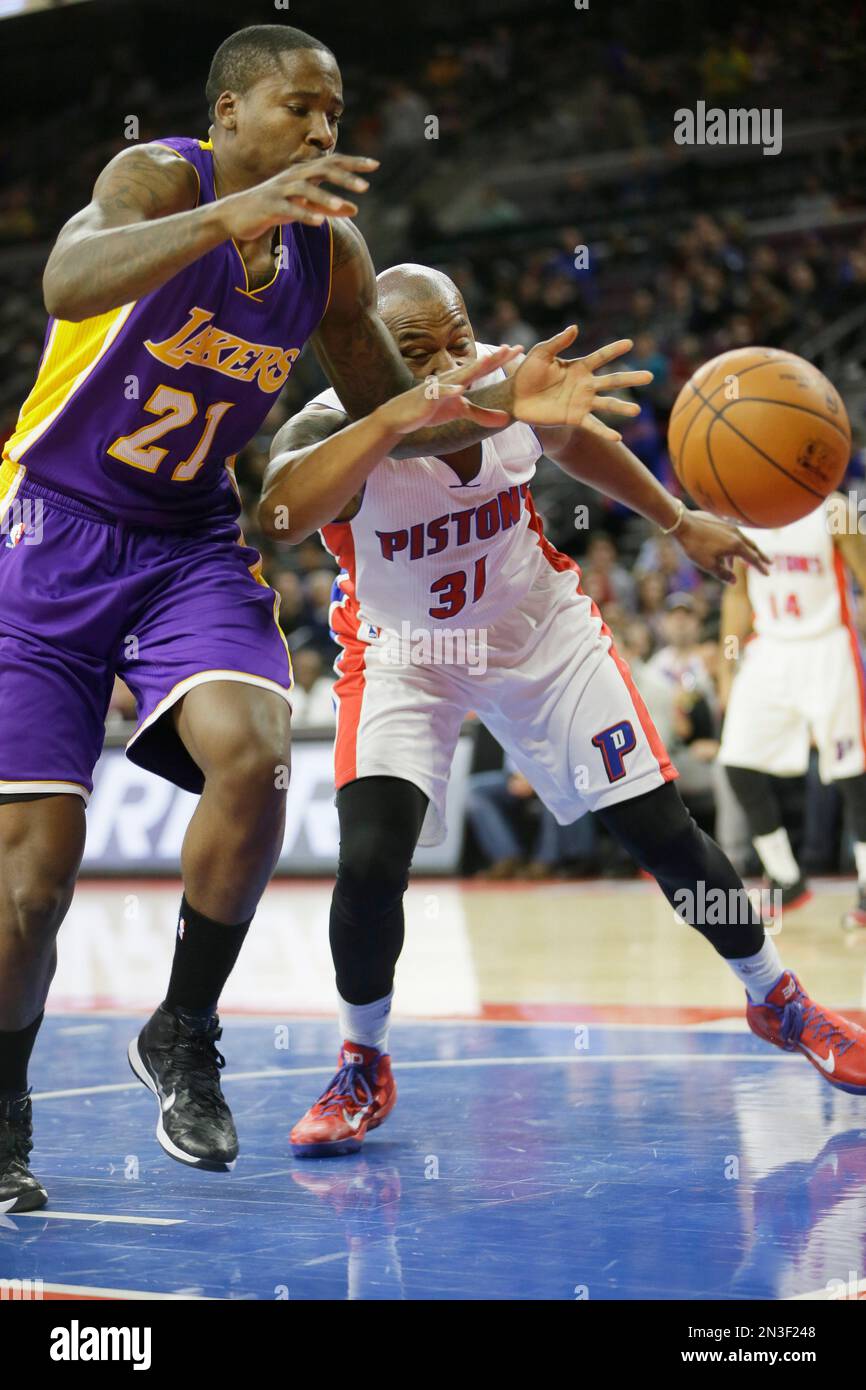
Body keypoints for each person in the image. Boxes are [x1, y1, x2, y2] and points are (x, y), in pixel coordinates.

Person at [0, 23, 591, 1211]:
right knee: (32, 888)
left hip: (184, 544)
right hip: (48, 535)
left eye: (335, 113)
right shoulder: (157, 180)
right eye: (299, 109)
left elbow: (389, 412)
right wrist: (227, 214)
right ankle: (5, 1112)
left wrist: (496, 404)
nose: (324, 131)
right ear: (227, 115)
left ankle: (183, 1029)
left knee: (258, 755)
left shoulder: (327, 253)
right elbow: (65, 282)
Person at [259, 264, 866, 1159]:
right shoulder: (330, 426)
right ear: (368, 356)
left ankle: (776, 998)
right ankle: (363, 1058)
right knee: (372, 860)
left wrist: (671, 517)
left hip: (540, 633)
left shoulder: (516, 378)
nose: (452, 361)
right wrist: (393, 417)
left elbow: (574, 442)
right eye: (416, 351)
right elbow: (278, 514)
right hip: (404, 658)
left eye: (458, 339)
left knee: (665, 833)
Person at [719, 495, 866, 926]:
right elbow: (737, 596)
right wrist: (729, 666)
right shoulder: (741, 513)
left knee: (852, 772)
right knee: (738, 764)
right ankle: (786, 877)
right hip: (769, 650)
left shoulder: (835, 510)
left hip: (829, 646)